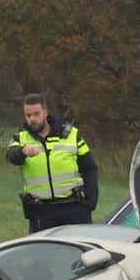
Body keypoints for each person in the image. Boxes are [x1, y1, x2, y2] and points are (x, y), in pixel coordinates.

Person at [7, 93, 100, 232]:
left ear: (45, 112)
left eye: (36, 114)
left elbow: (90, 168)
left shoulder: (70, 135)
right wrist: (22, 152)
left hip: (73, 208)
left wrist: (90, 202)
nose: (32, 119)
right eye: (28, 115)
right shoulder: (20, 138)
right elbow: (11, 156)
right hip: (41, 211)